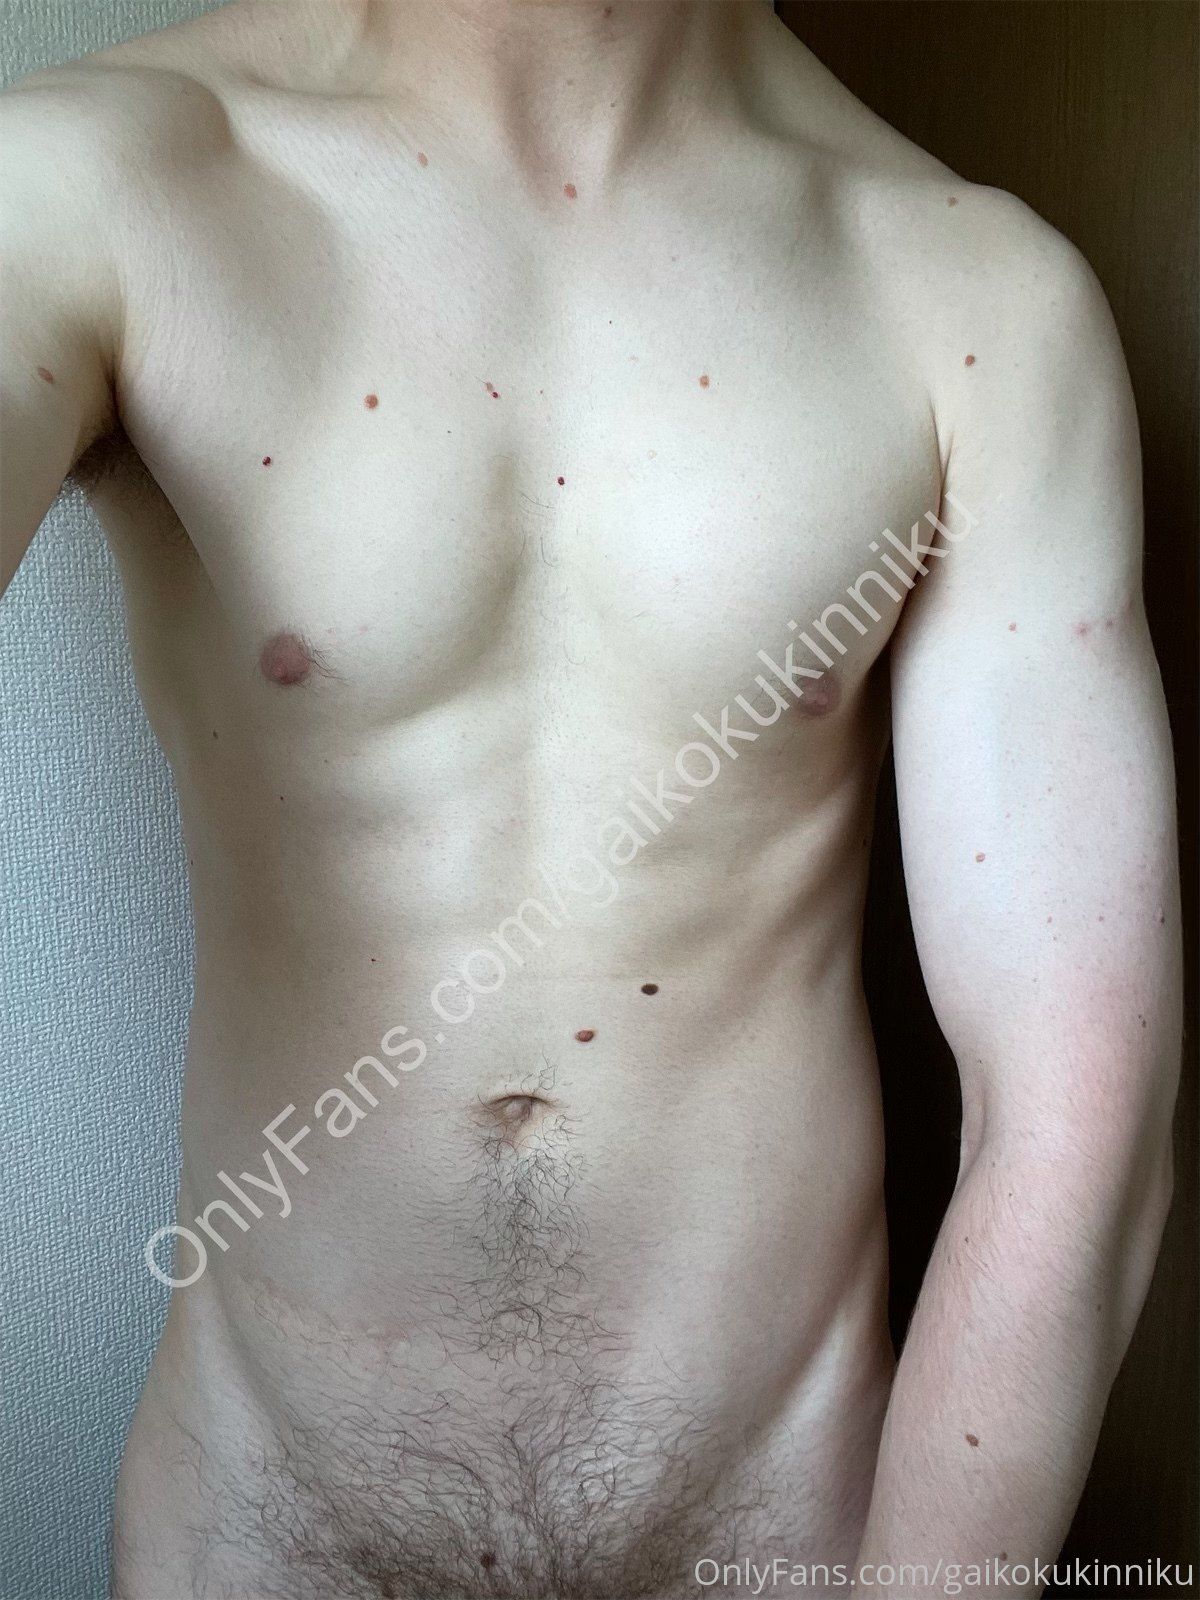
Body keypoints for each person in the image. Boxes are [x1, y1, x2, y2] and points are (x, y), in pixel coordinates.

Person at [0, 2, 1182, 1597]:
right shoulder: (90, 188)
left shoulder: (977, 304)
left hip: (784, 1545)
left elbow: (1072, 1113)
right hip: (262, 1534)